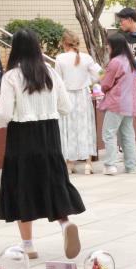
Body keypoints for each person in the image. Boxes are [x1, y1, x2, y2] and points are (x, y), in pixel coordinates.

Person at [0, 29, 84, 260]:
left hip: (21, 136)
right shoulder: (50, 73)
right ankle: (65, 224)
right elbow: (66, 107)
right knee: (53, 181)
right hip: (50, 135)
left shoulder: (12, 76)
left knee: (22, 184)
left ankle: (28, 245)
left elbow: (4, 113)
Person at [55, 32, 101, 175]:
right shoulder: (87, 58)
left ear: (64, 43)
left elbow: (57, 81)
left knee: (68, 129)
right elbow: (100, 74)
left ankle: (69, 163)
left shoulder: (60, 58)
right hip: (83, 95)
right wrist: (89, 81)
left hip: (67, 95)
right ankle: (88, 164)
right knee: (85, 127)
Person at [98, 33, 136, 176]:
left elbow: (105, 84)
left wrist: (100, 77)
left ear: (113, 46)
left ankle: (110, 165)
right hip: (129, 104)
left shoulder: (115, 62)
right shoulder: (131, 61)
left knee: (109, 134)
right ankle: (131, 166)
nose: (107, 47)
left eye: (108, 45)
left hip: (116, 103)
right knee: (128, 135)